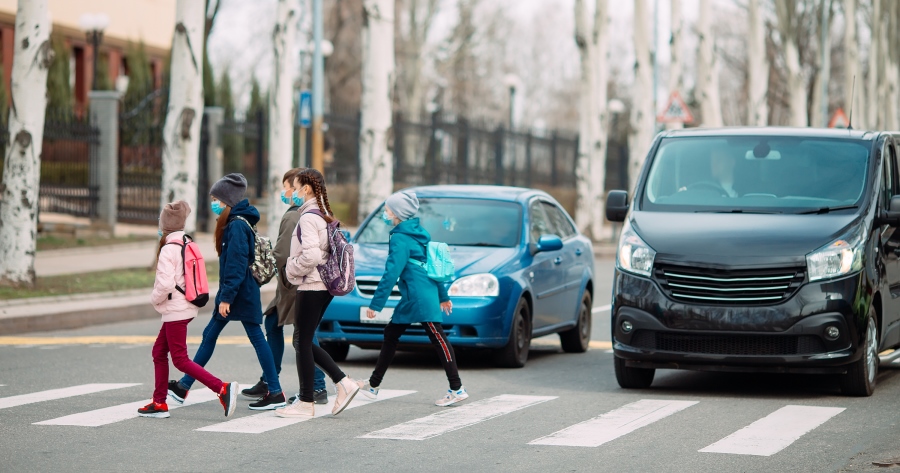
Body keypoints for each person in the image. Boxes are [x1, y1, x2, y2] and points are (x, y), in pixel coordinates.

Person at [167, 173, 287, 410]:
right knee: (211, 335)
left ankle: (275, 391)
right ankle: (184, 386)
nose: (213, 202)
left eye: (215, 198)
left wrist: (226, 298)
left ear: (225, 201)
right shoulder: (237, 222)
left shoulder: (236, 226)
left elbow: (236, 264)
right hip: (239, 291)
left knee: (253, 338)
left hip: (239, 293)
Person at [357, 191, 469, 407]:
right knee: (392, 334)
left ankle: (457, 388)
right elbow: (431, 266)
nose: (385, 213)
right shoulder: (418, 232)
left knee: (438, 338)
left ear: (397, 213)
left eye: (388, 210)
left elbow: (392, 272)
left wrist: (376, 304)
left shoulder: (400, 238)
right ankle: (373, 385)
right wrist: (443, 296)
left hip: (419, 295)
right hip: (416, 294)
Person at [139, 200, 239, 419]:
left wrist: (154, 300)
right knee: (158, 352)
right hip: (186, 305)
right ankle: (159, 402)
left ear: (165, 225)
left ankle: (221, 388)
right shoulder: (187, 242)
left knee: (180, 359)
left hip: (175, 309)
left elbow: (165, 285)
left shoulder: (168, 249)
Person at [275, 168, 359, 418]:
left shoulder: (308, 218)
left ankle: (311, 398)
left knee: (302, 340)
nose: (292, 191)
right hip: (321, 285)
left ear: (307, 189)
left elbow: (311, 255)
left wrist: (292, 268)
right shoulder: (320, 214)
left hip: (312, 285)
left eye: (296, 186)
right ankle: (336, 385)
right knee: (304, 339)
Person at [241, 168, 328, 405]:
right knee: (279, 325)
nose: (286, 191)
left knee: (304, 336)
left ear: (301, 188)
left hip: (294, 283)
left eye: (289, 187)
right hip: (294, 282)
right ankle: (270, 380)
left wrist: (258, 273)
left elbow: (282, 253)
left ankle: (318, 386)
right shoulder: (312, 211)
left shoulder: (294, 215)